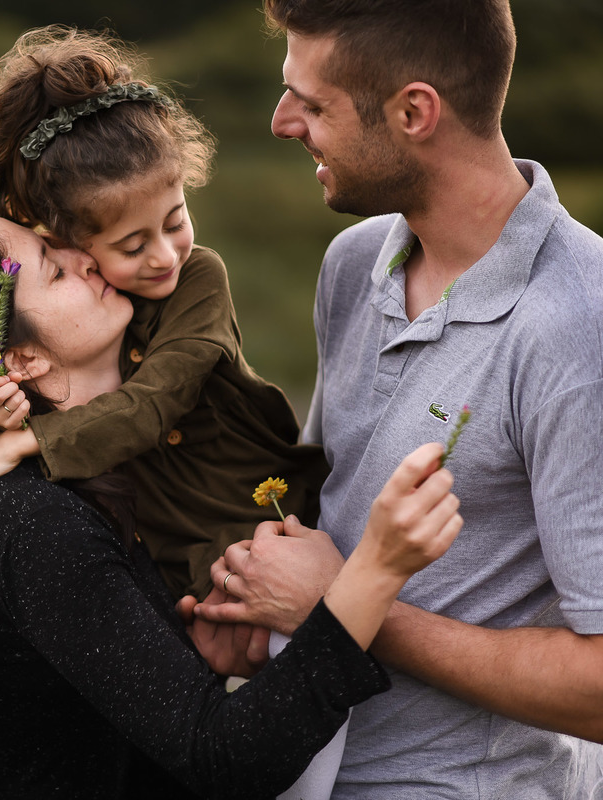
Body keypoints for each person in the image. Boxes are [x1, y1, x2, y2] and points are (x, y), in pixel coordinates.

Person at [0, 202, 464, 798]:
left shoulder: (105, 479)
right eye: (54, 268)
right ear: (25, 360)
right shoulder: (33, 522)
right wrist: (373, 573)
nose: (86, 257)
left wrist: (192, 654)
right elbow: (223, 759)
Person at [197, 1, 603, 797]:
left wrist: (343, 610)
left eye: (313, 105)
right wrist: (259, 614)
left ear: (414, 112)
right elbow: (326, 525)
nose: (282, 123)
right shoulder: (354, 263)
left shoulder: (578, 326)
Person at [0, 26, 330, 601]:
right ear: (74, 245)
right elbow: (63, 390)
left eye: (175, 221)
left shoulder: (199, 279)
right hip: (170, 552)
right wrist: (6, 410)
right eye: (132, 247)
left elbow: (155, 401)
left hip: (257, 511)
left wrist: (29, 441)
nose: (164, 255)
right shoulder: (89, 305)